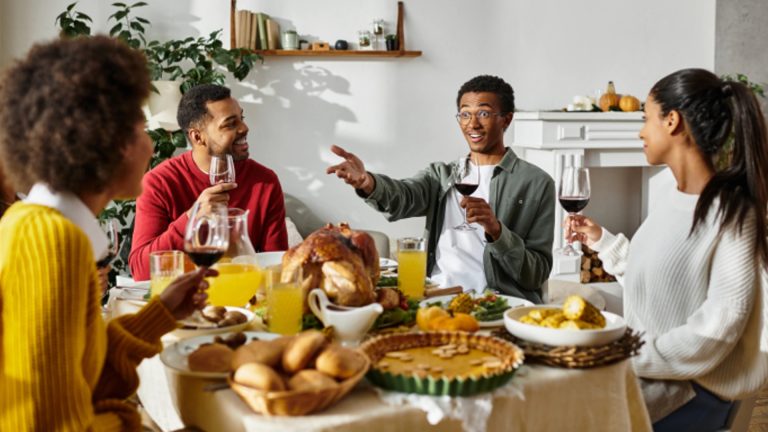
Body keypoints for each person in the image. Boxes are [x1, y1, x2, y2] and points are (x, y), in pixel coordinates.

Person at [0, 36, 216, 430]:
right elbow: (46, 421)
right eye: (139, 125)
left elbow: (83, 373)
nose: (151, 144)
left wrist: (161, 313)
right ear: (107, 141)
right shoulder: (52, 240)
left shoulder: (40, 224)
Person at [567, 68, 768, 431]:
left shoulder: (734, 213)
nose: (641, 131)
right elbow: (659, 283)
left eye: (646, 118)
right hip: (656, 376)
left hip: (691, 391)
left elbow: (721, 325)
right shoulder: (673, 199)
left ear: (672, 121)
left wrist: (627, 357)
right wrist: (602, 241)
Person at [327, 75, 555, 303]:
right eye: (465, 114)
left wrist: (496, 231)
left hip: (497, 301)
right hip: (437, 295)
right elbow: (402, 197)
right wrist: (367, 182)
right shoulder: (442, 176)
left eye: (483, 114)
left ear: (506, 119)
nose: (472, 124)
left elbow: (536, 274)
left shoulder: (536, 183)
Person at [129, 84, 288, 280]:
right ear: (198, 137)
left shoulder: (265, 182)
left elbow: (277, 267)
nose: (244, 128)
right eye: (230, 124)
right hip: (181, 301)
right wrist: (192, 218)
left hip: (242, 298)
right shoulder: (158, 183)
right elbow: (141, 271)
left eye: (242, 118)